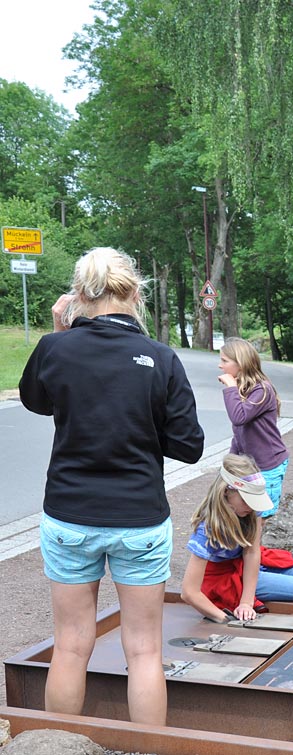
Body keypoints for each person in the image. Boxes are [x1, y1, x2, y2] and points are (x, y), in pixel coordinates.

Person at [19, 247, 205, 725]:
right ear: (135, 293)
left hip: (69, 515)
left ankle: (57, 743)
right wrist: (140, 425)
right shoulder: (160, 357)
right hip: (139, 519)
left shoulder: (54, 348)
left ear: (78, 295)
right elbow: (189, 447)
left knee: (71, 644)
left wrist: (59, 337)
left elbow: (37, 401)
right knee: (144, 651)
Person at [180, 454, 293, 622]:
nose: (252, 506)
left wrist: (246, 602)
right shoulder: (207, 529)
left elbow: (252, 552)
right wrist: (225, 620)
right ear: (226, 491)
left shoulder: (252, 510)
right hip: (224, 578)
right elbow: (189, 592)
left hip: (250, 564)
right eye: (246, 500)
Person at [218, 337, 288, 516]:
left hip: (268, 465)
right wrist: (230, 463)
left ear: (241, 364)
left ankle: (256, 545)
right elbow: (240, 432)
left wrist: (230, 388)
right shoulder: (244, 389)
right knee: (245, 514)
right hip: (249, 465)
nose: (220, 366)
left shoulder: (262, 390)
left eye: (225, 361)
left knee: (261, 516)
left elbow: (238, 418)